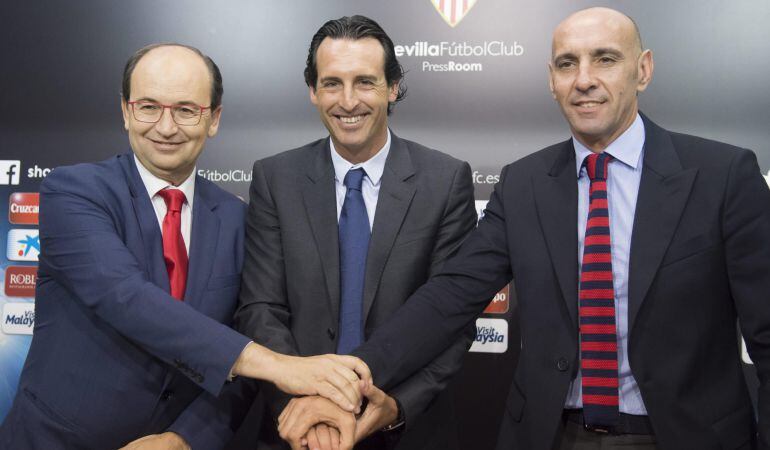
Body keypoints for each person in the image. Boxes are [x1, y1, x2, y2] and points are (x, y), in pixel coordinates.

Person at [282, 7, 770, 450]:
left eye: (604, 60)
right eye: (566, 64)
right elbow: (450, 296)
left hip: (686, 436)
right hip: (551, 435)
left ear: (642, 70)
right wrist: (354, 376)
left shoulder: (723, 176)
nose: (584, 80)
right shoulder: (524, 184)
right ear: (550, 80)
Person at [0, 43, 369, 450]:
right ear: (126, 111)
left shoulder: (237, 218)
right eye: (148, 107)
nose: (166, 126)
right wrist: (283, 367)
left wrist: (184, 438)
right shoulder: (74, 191)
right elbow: (124, 296)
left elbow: (242, 342)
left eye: (186, 110)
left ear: (213, 119)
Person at [234, 15, 477, 450]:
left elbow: (452, 323)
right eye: (331, 84)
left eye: (365, 82)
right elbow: (260, 309)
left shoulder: (445, 180)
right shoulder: (275, 177)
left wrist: (395, 407)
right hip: (297, 431)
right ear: (312, 91)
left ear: (393, 87)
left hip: (408, 431)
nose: (348, 101)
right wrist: (310, 409)